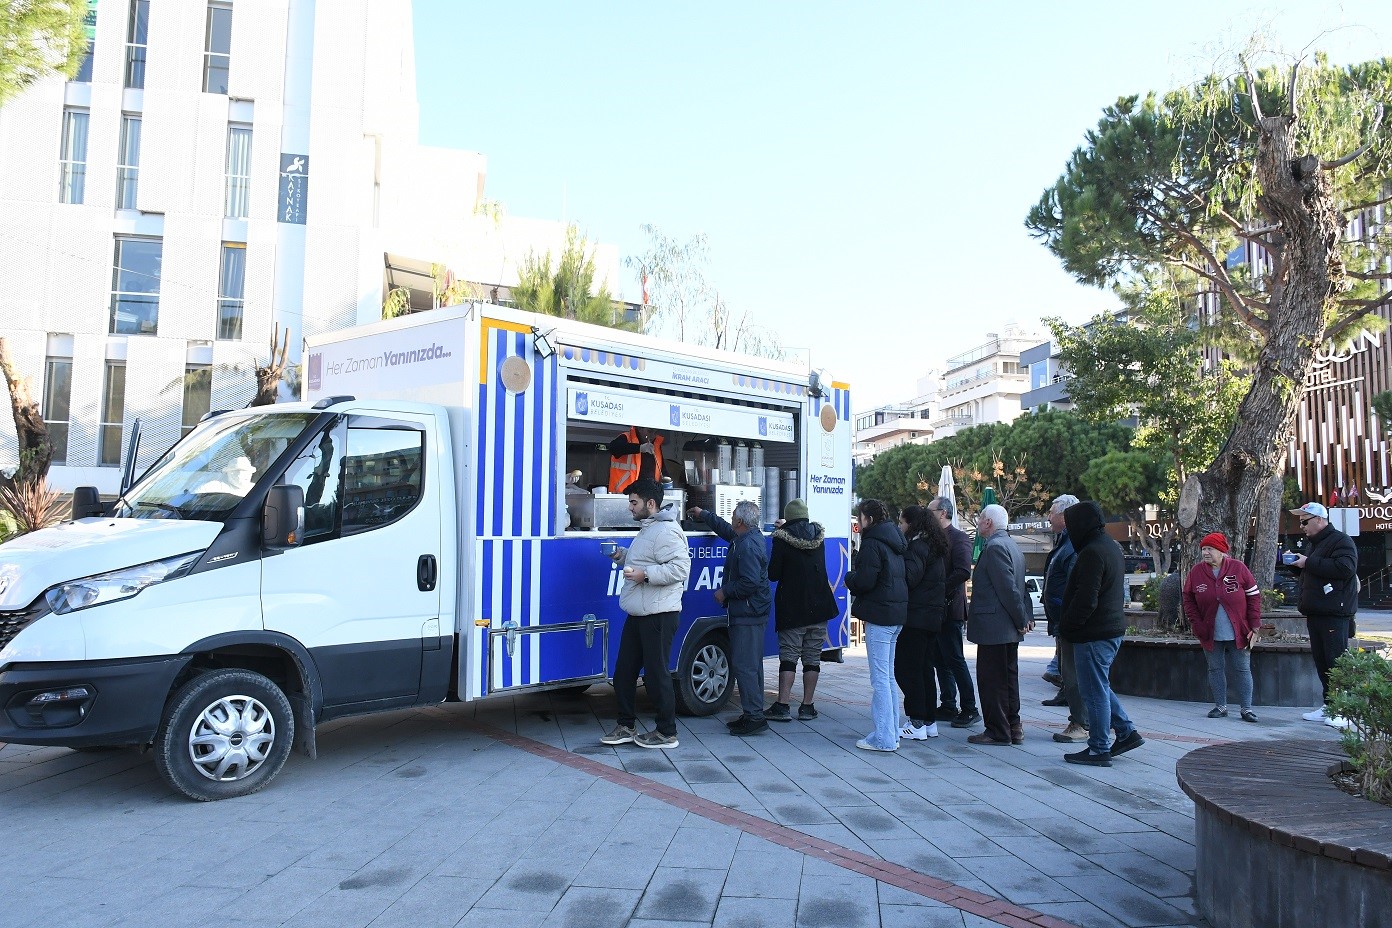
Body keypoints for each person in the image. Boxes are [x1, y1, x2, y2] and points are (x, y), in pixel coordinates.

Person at [600, 479, 691, 749]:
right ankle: (626, 725)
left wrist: (645, 575)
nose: (630, 507)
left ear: (650, 504)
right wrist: (621, 556)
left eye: (633, 502)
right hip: (640, 612)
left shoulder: (666, 531)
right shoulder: (650, 528)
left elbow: (680, 569)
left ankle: (667, 732)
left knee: (656, 674)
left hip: (659, 615)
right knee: (623, 672)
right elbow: (645, 560)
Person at [1058, 501, 1143, 766]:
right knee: (1099, 686)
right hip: (1107, 629)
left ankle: (1098, 748)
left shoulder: (1092, 552)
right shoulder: (1109, 546)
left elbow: (1086, 600)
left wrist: (1068, 627)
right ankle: (1126, 731)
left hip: (1094, 632)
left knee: (1093, 691)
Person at [689, 500, 771, 736]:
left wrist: (725, 591)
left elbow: (749, 582)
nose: (732, 519)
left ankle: (754, 717)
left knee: (745, 666)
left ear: (740, 521)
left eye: (734, 516)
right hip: (752, 611)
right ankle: (752, 713)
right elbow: (726, 531)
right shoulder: (747, 537)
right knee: (751, 665)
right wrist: (704, 514)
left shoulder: (747, 546)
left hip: (748, 612)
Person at [765, 498, 839, 722]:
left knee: (789, 656)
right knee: (812, 657)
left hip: (793, 606)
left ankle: (783, 705)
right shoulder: (818, 536)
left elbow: (774, 574)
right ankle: (807, 706)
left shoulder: (781, 539)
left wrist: (781, 532)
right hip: (820, 605)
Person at [965, 504, 1032, 746]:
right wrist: (1023, 617)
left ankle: (997, 731)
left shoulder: (994, 547)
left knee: (992, 681)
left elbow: (1008, 589)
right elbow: (1019, 588)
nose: (978, 522)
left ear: (989, 523)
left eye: (981, 519)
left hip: (995, 627)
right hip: (1006, 628)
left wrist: (1021, 618)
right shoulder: (1013, 545)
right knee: (1007, 679)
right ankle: (1013, 727)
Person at [1288, 502, 1360, 729]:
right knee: (1322, 662)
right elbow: (1318, 571)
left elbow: (1345, 568)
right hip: (1317, 612)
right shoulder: (1316, 544)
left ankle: (1344, 710)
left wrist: (1308, 562)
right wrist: (1298, 565)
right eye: (1300, 522)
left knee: (1335, 661)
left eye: (1305, 521)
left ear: (1320, 519)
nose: (1302, 526)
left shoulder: (1341, 541)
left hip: (1334, 613)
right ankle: (1330, 705)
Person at [845, 499, 908, 751]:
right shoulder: (895, 541)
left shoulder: (873, 543)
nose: (859, 522)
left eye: (860, 517)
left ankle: (884, 737)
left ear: (868, 519)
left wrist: (849, 577)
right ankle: (890, 733)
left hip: (880, 616)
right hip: (896, 615)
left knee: (880, 679)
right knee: (888, 678)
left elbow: (865, 581)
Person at [1181, 532, 1262, 722]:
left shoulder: (1238, 568)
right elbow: (1188, 598)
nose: (1205, 553)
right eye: (1203, 549)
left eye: (1210, 549)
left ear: (1222, 551)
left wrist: (1254, 624)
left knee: (1242, 669)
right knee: (1215, 669)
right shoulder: (1196, 572)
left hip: (1239, 631)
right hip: (1209, 632)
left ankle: (1246, 709)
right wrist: (1196, 623)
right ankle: (1220, 706)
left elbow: (1254, 596)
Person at [928, 497, 981, 728]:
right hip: (935, 609)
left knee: (955, 659)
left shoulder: (959, 538)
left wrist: (938, 588)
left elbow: (962, 571)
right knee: (940, 659)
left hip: (950, 609)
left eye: (930, 511)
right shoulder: (933, 538)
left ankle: (969, 707)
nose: (927, 515)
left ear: (943, 513)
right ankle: (948, 703)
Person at [896, 504, 947, 740]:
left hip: (916, 616)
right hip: (932, 616)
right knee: (925, 669)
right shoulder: (935, 545)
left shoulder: (917, 546)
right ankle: (928, 721)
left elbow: (910, 577)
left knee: (907, 669)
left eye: (901, 522)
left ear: (912, 524)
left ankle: (916, 721)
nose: (899, 526)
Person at [1041, 495, 1089, 743]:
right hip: (1061, 620)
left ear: (1065, 516)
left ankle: (1083, 723)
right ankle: (1082, 719)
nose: (1048, 516)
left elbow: (1073, 586)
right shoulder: (1065, 542)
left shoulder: (1074, 545)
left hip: (1068, 621)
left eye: (1052, 512)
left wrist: (1066, 618)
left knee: (1074, 674)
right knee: (1067, 672)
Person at [608, 426, 665, 493]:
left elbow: (662, 468)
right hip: (623, 493)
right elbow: (613, 448)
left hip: (649, 494)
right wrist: (639, 448)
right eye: (650, 431)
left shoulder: (656, 445)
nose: (653, 435)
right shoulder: (627, 437)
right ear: (640, 429)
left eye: (656, 432)